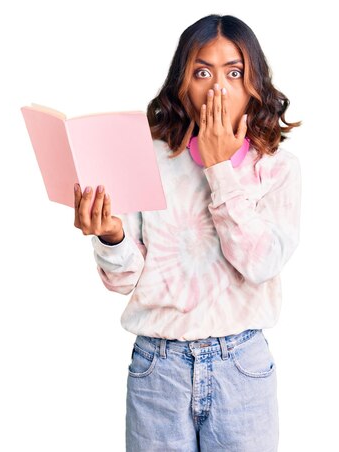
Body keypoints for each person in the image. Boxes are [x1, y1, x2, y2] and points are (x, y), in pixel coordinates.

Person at [73, 13, 301, 452]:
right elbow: (124, 280)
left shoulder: (277, 170)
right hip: (158, 370)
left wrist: (219, 168)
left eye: (234, 72)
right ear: (183, 83)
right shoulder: (150, 158)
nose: (218, 87)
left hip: (242, 369)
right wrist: (112, 237)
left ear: (255, 84)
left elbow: (260, 264)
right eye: (202, 72)